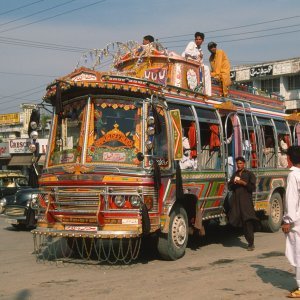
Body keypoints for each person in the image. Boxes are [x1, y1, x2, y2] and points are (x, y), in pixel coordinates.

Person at [281, 146, 300, 298]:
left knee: (298, 253)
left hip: (297, 222)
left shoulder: (293, 175)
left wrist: (287, 220)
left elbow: (291, 200)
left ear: (290, 158)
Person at [228, 156, 258, 251]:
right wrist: (234, 183)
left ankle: (251, 243)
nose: (239, 165)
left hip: (246, 202)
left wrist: (243, 183)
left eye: (240, 163)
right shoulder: (235, 174)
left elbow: (252, 188)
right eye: (237, 163)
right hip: (237, 202)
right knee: (238, 220)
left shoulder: (249, 174)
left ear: (244, 164)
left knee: (247, 221)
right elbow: (230, 187)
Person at [182, 32, 211, 96]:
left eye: (199, 39)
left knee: (205, 68)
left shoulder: (200, 50)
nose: (197, 41)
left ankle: (206, 92)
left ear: (202, 40)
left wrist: (199, 57)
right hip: (186, 62)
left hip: (194, 66)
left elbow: (200, 61)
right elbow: (187, 52)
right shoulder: (192, 44)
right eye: (196, 39)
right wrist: (197, 55)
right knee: (206, 68)